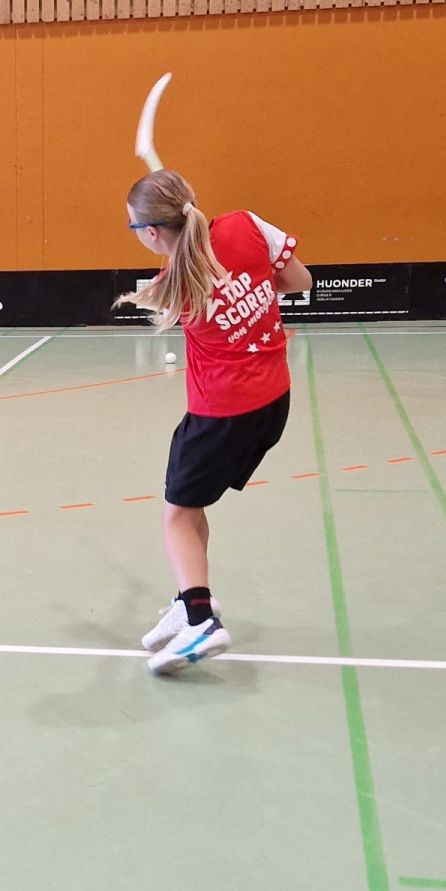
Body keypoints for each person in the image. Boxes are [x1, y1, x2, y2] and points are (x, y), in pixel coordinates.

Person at [120, 169, 310, 676]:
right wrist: (250, 286)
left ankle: (202, 623)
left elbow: (191, 266)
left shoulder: (171, 285)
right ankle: (190, 600)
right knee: (192, 503)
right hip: (274, 400)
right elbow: (300, 281)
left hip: (222, 414)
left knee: (178, 516)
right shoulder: (247, 224)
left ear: (152, 232)